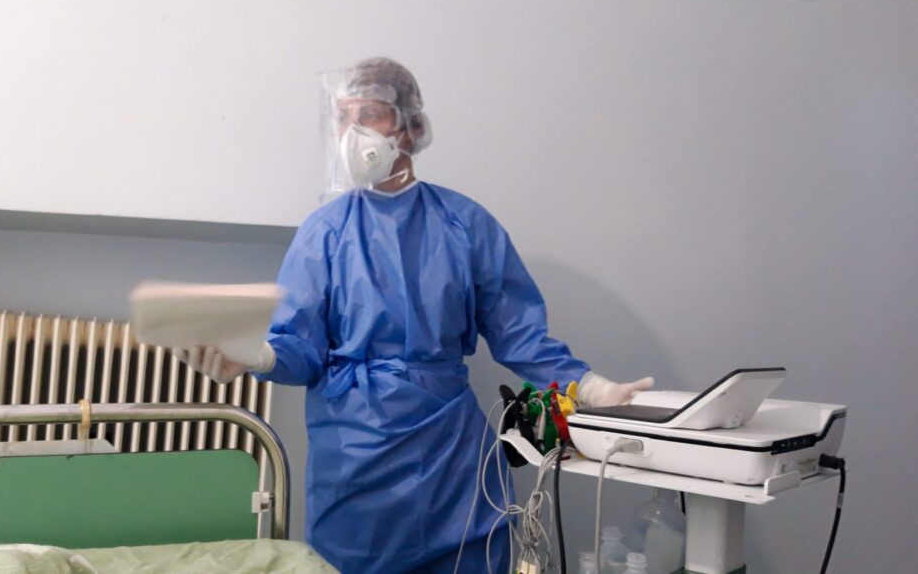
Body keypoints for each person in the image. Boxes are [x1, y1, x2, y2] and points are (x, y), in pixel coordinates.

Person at [178, 57, 653, 574]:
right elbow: (300, 349)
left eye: (370, 114)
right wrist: (254, 356)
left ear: (412, 126)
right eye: (343, 117)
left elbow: (520, 335)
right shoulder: (325, 231)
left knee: (469, 557)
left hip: (451, 453)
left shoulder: (465, 224)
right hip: (355, 454)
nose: (354, 131)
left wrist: (593, 388)